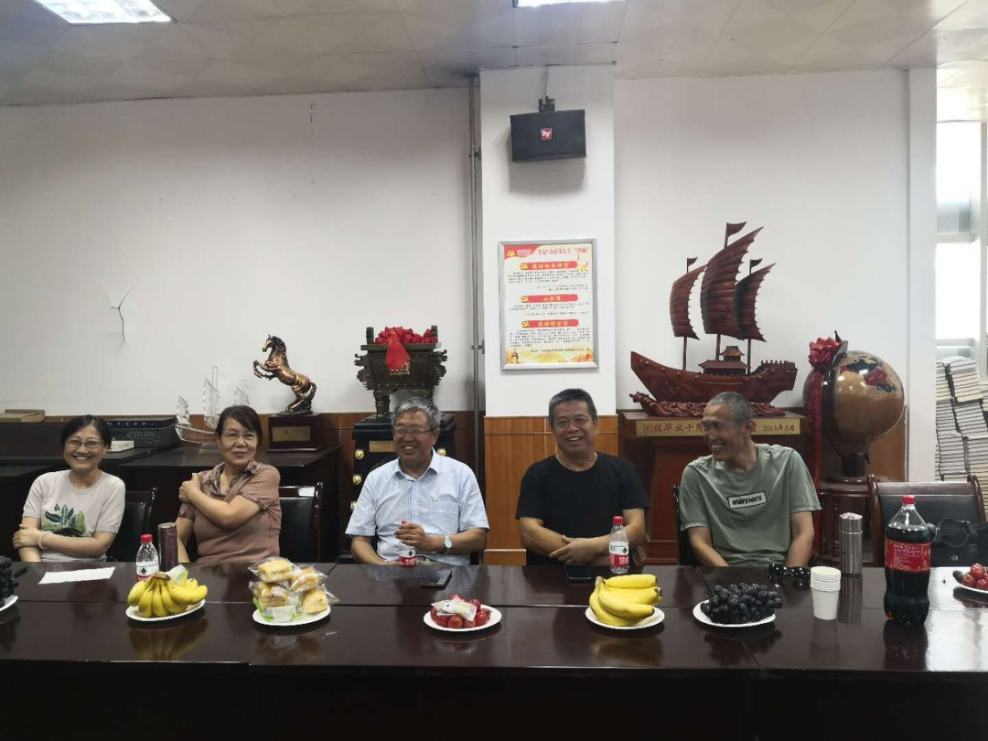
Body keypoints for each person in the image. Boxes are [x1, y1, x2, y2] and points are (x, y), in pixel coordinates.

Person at [679, 391, 820, 567]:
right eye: (706, 427)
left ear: (748, 428)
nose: (711, 436)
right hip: (725, 571)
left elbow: (804, 533)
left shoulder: (788, 462)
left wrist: (788, 578)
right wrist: (733, 580)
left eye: (718, 427)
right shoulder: (696, 474)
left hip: (779, 569)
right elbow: (700, 542)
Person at [346, 397, 488, 566]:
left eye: (416, 430)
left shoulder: (460, 474)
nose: (407, 438)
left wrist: (435, 543)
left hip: (446, 572)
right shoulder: (377, 478)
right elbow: (359, 542)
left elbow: (478, 539)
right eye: (401, 430)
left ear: (434, 435)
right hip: (391, 572)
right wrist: (383, 567)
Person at [516, 389, 647, 566]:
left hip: (612, 575)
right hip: (550, 576)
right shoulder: (537, 474)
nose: (572, 428)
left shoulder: (624, 470)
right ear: (552, 430)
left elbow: (636, 530)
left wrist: (592, 547)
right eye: (562, 422)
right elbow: (529, 533)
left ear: (595, 424)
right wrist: (593, 558)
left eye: (580, 420)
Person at [176, 405, 281, 565]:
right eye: (232, 435)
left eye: (249, 436)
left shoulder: (266, 475)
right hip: (208, 574)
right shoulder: (202, 481)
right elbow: (174, 538)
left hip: (258, 574)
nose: (241, 443)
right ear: (218, 440)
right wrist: (186, 574)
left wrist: (192, 493)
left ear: (257, 440)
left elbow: (229, 517)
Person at [14, 415, 125, 562]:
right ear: (64, 446)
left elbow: (99, 546)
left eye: (91, 443)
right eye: (74, 442)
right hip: (40, 567)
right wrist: (37, 570)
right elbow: (25, 539)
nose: (82, 449)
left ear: (105, 448)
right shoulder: (44, 482)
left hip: (90, 569)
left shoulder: (113, 486)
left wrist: (41, 538)